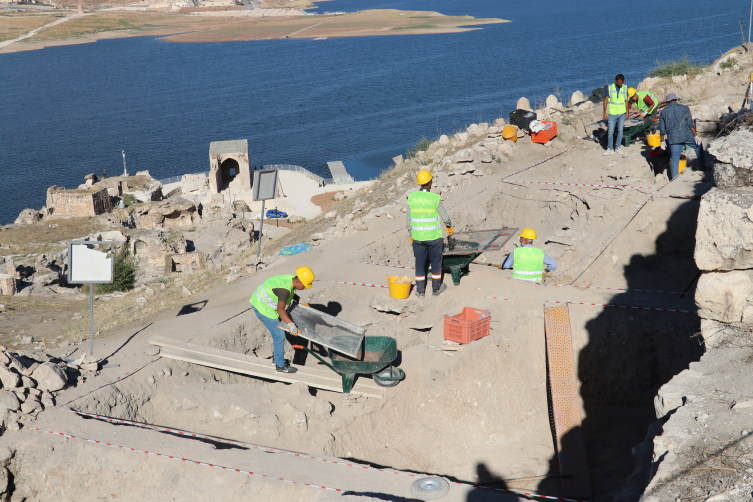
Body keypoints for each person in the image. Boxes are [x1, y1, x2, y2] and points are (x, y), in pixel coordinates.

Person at [249, 266, 315, 373]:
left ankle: (277, 357)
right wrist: (291, 324)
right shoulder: (285, 290)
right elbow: (281, 309)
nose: (306, 288)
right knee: (279, 335)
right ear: (298, 281)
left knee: (279, 333)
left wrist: (299, 299)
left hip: (265, 302)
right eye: (305, 285)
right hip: (263, 307)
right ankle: (280, 365)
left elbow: (290, 291)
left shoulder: (292, 279)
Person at [407, 169, 453, 299]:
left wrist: (412, 233)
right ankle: (436, 289)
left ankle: (420, 291)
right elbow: (445, 217)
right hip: (434, 238)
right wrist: (449, 226)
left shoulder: (412, 198)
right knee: (436, 263)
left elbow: (408, 220)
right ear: (430, 182)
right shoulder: (434, 198)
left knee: (420, 263)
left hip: (418, 239)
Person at [658, 93, 704, 180]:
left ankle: (674, 178)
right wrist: (696, 136)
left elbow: (662, 129)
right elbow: (691, 124)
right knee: (698, 146)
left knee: (674, 159)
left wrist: (662, 141)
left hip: (673, 138)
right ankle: (701, 166)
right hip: (686, 135)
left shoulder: (663, 112)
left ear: (667, 102)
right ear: (676, 100)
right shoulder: (685, 108)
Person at [603, 74, 629, 156]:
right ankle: (610, 149)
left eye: (622, 83)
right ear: (616, 81)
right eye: (620, 83)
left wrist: (627, 112)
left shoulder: (625, 88)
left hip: (622, 113)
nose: (621, 84)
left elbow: (626, 100)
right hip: (613, 113)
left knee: (620, 131)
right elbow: (606, 100)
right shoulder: (610, 88)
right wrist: (604, 112)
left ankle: (618, 147)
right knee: (610, 131)